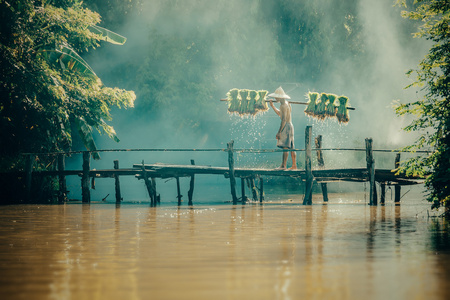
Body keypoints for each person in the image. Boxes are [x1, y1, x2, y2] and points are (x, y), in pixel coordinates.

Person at [268, 86, 297, 170]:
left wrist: (279, 132)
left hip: (286, 126)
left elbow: (283, 120)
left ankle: (283, 165)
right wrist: (272, 106)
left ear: (279, 97)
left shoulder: (283, 105)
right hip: (290, 125)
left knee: (285, 146)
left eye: (276, 97)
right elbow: (280, 114)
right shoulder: (287, 103)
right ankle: (294, 165)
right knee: (291, 146)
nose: (275, 98)